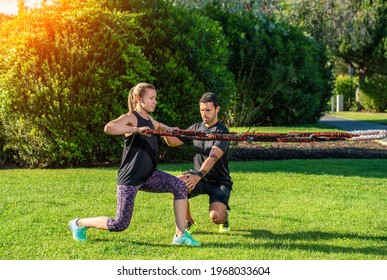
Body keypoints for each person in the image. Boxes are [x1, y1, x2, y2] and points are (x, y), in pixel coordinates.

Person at [68, 83, 201, 246]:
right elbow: (108, 127)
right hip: (130, 178)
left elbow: (163, 128)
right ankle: (78, 223)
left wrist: (172, 130)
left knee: (179, 186)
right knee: (120, 224)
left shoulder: (150, 120)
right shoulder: (131, 117)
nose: (155, 102)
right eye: (151, 98)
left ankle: (180, 235)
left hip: (149, 175)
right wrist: (137, 130)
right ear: (138, 98)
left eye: (155, 98)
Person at [165, 92, 233, 234]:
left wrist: (198, 175)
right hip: (199, 177)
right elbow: (173, 142)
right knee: (175, 186)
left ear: (217, 109)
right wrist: (163, 130)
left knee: (216, 217)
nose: (204, 114)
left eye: (208, 110)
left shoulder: (223, 132)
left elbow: (212, 157)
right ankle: (189, 222)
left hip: (218, 181)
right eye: (202, 110)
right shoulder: (196, 128)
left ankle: (225, 219)